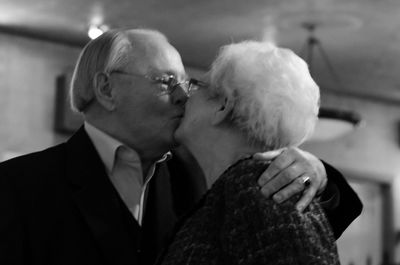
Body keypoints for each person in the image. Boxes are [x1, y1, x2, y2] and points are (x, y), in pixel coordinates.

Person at [0, 29, 361, 265]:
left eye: (188, 83)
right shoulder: (16, 186)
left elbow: (299, 233)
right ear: (107, 89)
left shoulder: (203, 173)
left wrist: (316, 173)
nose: (181, 96)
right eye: (167, 80)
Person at [160, 41, 342, 265]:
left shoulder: (258, 189)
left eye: (196, 86)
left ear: (223, 106)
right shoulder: (250, 186)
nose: (185, 96)